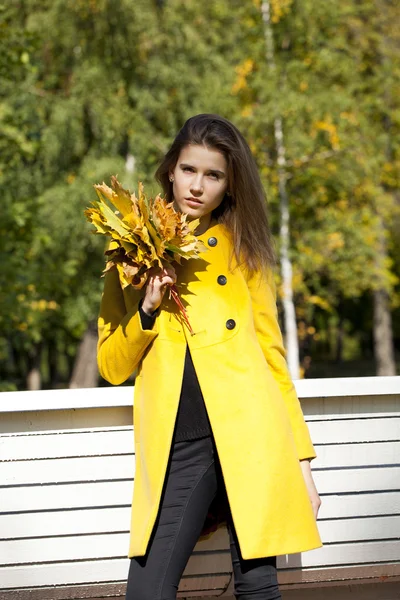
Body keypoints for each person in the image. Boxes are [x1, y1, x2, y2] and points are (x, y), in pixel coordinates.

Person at [97, 114, 322, 600]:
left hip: (252, 434)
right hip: (183, 440)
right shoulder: (130, 251)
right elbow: (112, 366)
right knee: (148, 591)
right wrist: (149, 309)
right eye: (188, 170)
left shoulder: (245, 248)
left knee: (258, 588)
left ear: (230, 182)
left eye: (213, 175)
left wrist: (302, 460)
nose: (197, 186)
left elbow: (272, 357)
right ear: (170, 171)